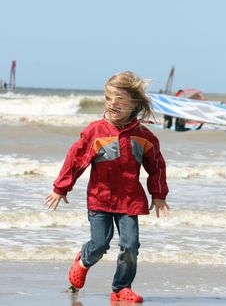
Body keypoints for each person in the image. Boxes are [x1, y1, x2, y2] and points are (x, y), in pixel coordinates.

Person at [44, 71, 170, 303]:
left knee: (130, 246)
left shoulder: (144, 137)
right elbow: (76, 160)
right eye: (108, 98)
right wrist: (61, 188)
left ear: (134, 103)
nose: (112, 103)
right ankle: (83, 259)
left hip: (130, 200)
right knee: (100, 244)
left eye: (119, 99)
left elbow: (157, 167)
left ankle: (121, 287)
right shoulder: (95, 132)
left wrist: (159, 194)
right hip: (100, 199)